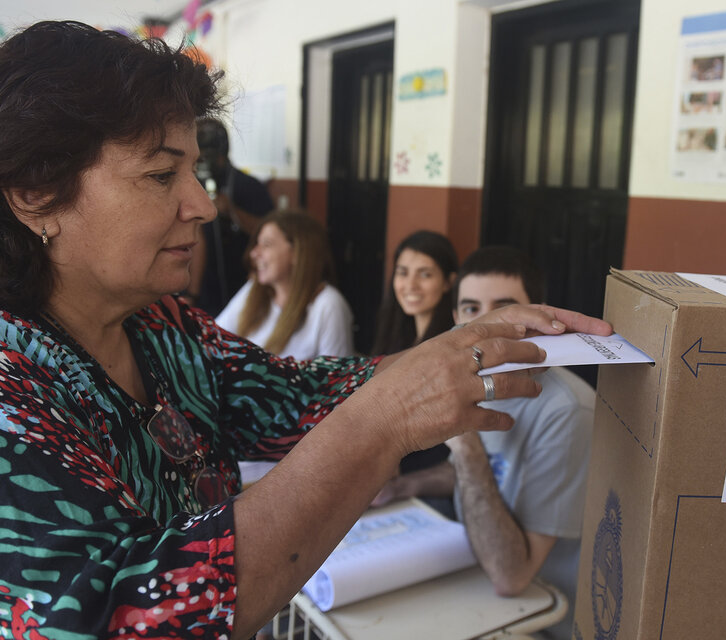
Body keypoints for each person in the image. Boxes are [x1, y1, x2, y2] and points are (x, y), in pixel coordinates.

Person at [0, 21, 612, 638]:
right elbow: (129, 617)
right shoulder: (12, 389)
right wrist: (384, 422)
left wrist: (459, 349)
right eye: (162, 176)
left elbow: (289, 395)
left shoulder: (158, 324)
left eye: (193, 172)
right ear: (36, 193)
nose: (204, 206)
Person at [375, 246, 596, 640]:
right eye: (472, 309)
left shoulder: (566, 410)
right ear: (456, 318)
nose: (487, 323)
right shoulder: (483, 381)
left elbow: (512, 577)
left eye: (504, 307)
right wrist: (406, 486)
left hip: (536, 617)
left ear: (540, 316)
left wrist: (464, 440)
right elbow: (496, 476)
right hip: (472, 579)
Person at [371, 230, 460, 506]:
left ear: (448, 282)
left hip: (429, 484)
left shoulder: (450, 346)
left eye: (425, 274)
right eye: (402, 272)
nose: (410, 285)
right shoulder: (396, 336)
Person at [216, 209, 354, 360]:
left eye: (266, 244)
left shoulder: (328, 305)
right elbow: (214, 339)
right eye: (257, 244)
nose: (254, 253)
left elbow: (337, 378)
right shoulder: (253, 289)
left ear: (297, 252)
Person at [188, 116, 275, 315]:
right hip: (203, 292)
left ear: (222, 154)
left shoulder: (249, 187)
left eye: (206, 157)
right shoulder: (190, 185)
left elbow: (270, 232)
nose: (202, 164)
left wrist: (233, 211)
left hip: (244, 286)